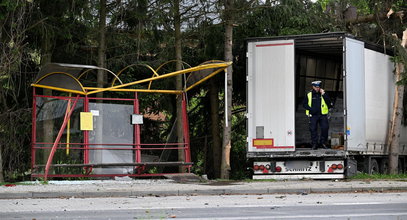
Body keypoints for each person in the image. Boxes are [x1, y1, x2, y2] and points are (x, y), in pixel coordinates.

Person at [303, 81, 332, 150]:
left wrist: (324, 94)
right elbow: (304, 104)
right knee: (313, 130)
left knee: (325, 128)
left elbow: (329, 104)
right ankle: (314, 144)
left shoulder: (323, 93)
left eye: (318, 87)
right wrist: (311, 109)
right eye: (316, 87)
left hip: (323, 115)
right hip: (313, 115)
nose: (317, 88)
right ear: (313, 87)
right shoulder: (309, 94)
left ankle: (323, 143)